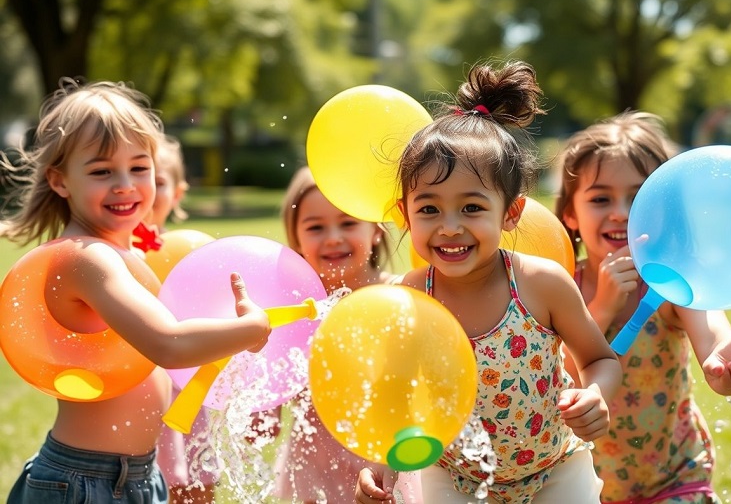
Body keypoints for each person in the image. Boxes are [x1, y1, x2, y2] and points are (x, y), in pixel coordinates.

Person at [357, 60, 623, 503]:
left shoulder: (541, 285)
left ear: (511, 213)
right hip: (453, 475)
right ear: (405, 215)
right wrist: (382, 463)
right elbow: (399, 395)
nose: (449, 227)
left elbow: (601, 359)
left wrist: (596, 394)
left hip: (555, 468)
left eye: (472, 208)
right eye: (429, 209)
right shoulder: (410, 298)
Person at [1, 79, 271, 504]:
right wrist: (251, 329)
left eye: (140, 168)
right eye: (101, 171)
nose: (125, 184)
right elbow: (168, 344)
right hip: (84, 480)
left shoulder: (121, 253)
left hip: (139, 476)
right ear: (59, 181)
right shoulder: (86, 259)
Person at [553, 110, 731, 503]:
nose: (620, 211)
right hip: (587, 487)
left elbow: (712, 333)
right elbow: (552, 380)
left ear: (665, 209)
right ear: (570, 215)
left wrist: (726, 360)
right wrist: (600, 308)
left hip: (675, 477)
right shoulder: (561, 288)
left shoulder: (674, 285)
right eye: (600, 199)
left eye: (638, 196)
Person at [260, 165, 422, 503]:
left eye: (347, 223)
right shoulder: (295, 314)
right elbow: (268, 406)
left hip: (389, 467)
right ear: (297, 240)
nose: (333, 237)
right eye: (316, 227)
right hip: (315, 471)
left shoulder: (403, 297)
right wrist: (262, 414)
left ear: (376, 230)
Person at [148, 134, 222, 504]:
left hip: (188, 388)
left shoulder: (189, 254)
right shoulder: (110, 258)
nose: (139, 190)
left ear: (177, 194)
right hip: (142, 389)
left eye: (156, 181)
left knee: (193, 483)